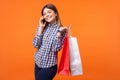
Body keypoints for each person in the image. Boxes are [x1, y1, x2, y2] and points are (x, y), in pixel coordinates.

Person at [32, 3, 69, 80]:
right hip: (38, 63)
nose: (47, 15)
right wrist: (40, 29)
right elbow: (36, 44)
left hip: (49, 66)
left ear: (55, 13)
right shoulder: (41, 27)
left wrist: (58, 33)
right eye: (44, 14)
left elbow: (56, 49)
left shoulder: (62, 30)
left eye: (49, 12)